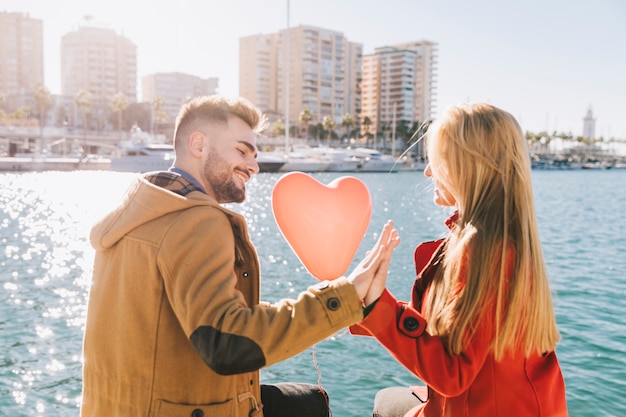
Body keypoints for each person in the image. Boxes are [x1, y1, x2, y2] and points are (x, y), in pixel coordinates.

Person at [80, 95, 399, 417]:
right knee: (313, 405)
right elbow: (226, 342)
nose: (254, 166)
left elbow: (197, 320)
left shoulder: (138, 212)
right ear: (199, 145)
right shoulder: (198, 220)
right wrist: (344, 296)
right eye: (241, 150)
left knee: (304, 402)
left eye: (255, 155)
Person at [351, 103, 568, 416]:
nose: (427, 171)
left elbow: (452, 374)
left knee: (385, 405)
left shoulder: (481, 252)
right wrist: (358, 310)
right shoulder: (502, 241)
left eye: (436, 161)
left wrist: (376, 307)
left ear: (469, 166)